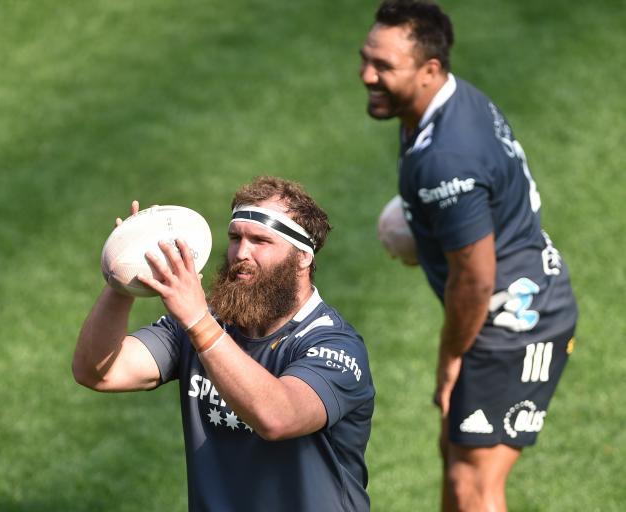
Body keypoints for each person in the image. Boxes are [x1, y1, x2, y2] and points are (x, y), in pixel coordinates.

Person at [360, 1, 578, 510]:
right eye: (366, 58)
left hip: (517, 324)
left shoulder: (447, 159)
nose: (367, 75)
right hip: (510, 304)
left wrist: (450, 357)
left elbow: (475, 280)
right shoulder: (445, 104)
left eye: (384, 67)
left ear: (429, 70)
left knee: (472, 484)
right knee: (456, 458)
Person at [72, 176, 375, 512]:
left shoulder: (334, 345)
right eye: (235, 238)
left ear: (303, 257)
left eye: (260, 240)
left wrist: (198, 322)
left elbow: (278, 416)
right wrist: (123, 273)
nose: (241, 253)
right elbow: (98, 371)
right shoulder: (208, 323)